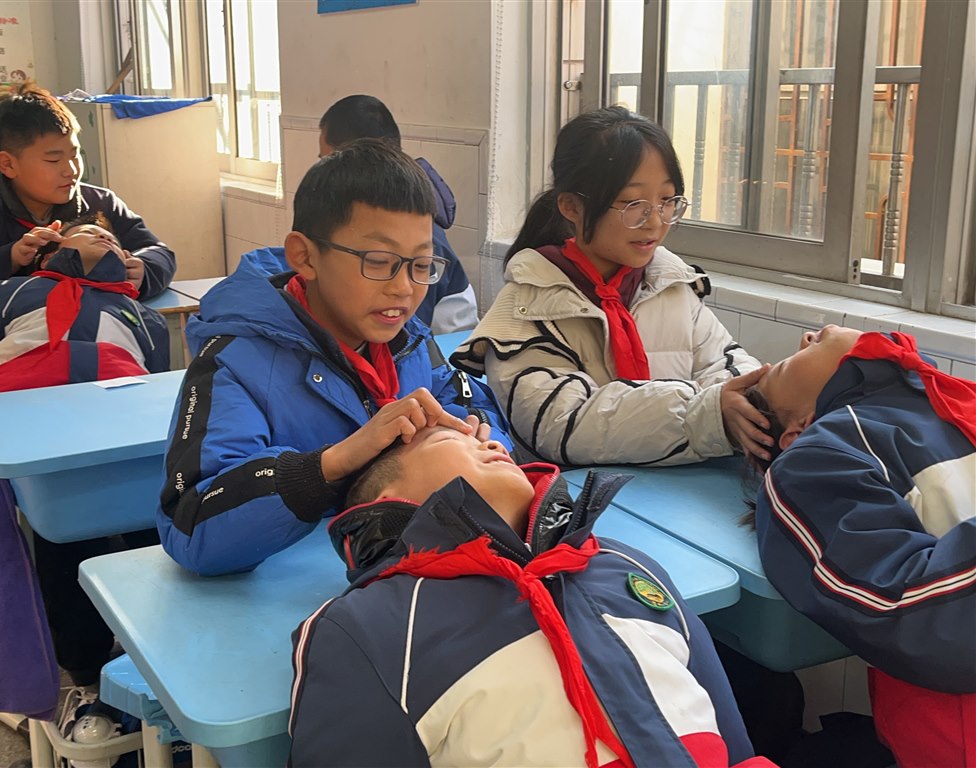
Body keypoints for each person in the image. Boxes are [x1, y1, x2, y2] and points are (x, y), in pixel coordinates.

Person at [287, 425, 777, 768]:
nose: (489, 441)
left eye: (487, 437)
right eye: (450, 438)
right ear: (389, 497)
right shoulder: (369, 626)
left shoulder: (622, 563)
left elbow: (733, 743)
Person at [157, 139, 511, 577]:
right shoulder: (234, 364)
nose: (404, 288)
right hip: (293, 595)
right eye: (378, 261)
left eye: (421, 266)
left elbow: (469, 400)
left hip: (404, 577)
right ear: (305, 257)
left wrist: (480, 434)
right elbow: (190, 523)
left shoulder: (408, 339)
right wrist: (332, 465)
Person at [451, 106, 770, 466]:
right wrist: (707, 411)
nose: (655, 222)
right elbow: (562, 424)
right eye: (633, 204)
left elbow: (727, 364)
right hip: (583, 495)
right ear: (572, 207)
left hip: (681, 491)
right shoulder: (527, 307)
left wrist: (749, 400)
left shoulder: (671, 284)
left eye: (667, 201)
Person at [0, 211, 169, 735]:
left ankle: (153, 657)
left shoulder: (143, 315)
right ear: (51, 248)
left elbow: (159, 394)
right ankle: (87, 669)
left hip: (122, 443)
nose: (103, 236)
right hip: (35, 451)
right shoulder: (5, 294)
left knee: (153, 543)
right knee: (63, 542)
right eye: (89, 232)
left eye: (111, 238)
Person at [745, 325, 975, 768]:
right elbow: (910, 611)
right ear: (797, 430)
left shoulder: (945, 402)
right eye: (785, 366)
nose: (807, 336)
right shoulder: (815, 461)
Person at [0, 80, 176, 310]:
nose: (71, 170)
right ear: (8, 164)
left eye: (75, 155)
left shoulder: (101, 203)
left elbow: (158, 252)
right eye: (53, 160)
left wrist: (144, 270)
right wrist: (10, 257)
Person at [319, 94, 478, 333]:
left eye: (327, 162)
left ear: (353, 159)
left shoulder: (416, 234)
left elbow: (403, 335)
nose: (323, 176)